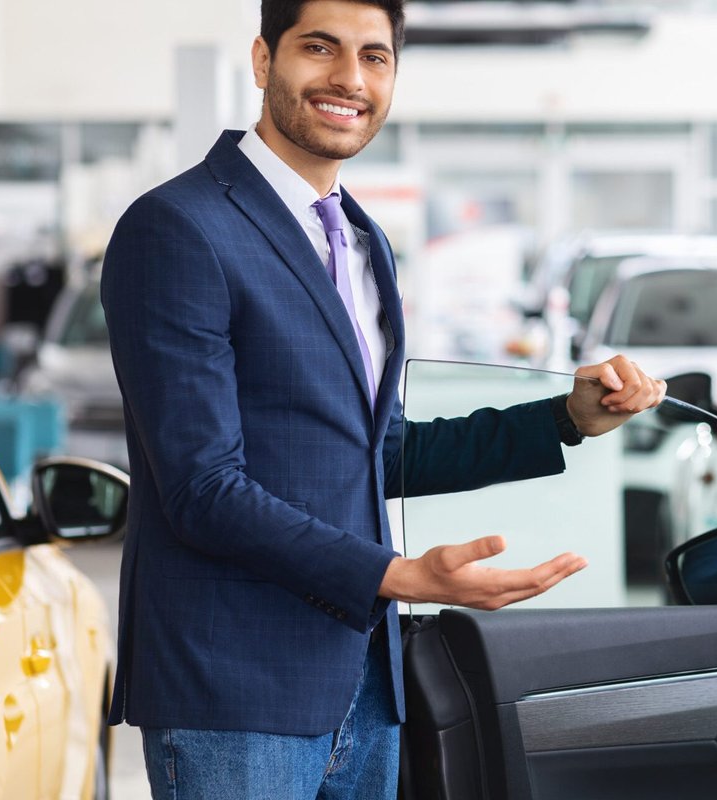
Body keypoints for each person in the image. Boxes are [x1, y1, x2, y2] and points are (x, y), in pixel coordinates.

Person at [98, 1, 666, 797]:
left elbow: (377, 451)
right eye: (320, 49)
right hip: (235, 689)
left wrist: (566, 419)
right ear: (264, 60)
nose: (349, 79)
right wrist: (401, 576)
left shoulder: (363, 242)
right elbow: (201, 490)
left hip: (365, 684)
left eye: (375, 56)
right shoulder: (178, 229)